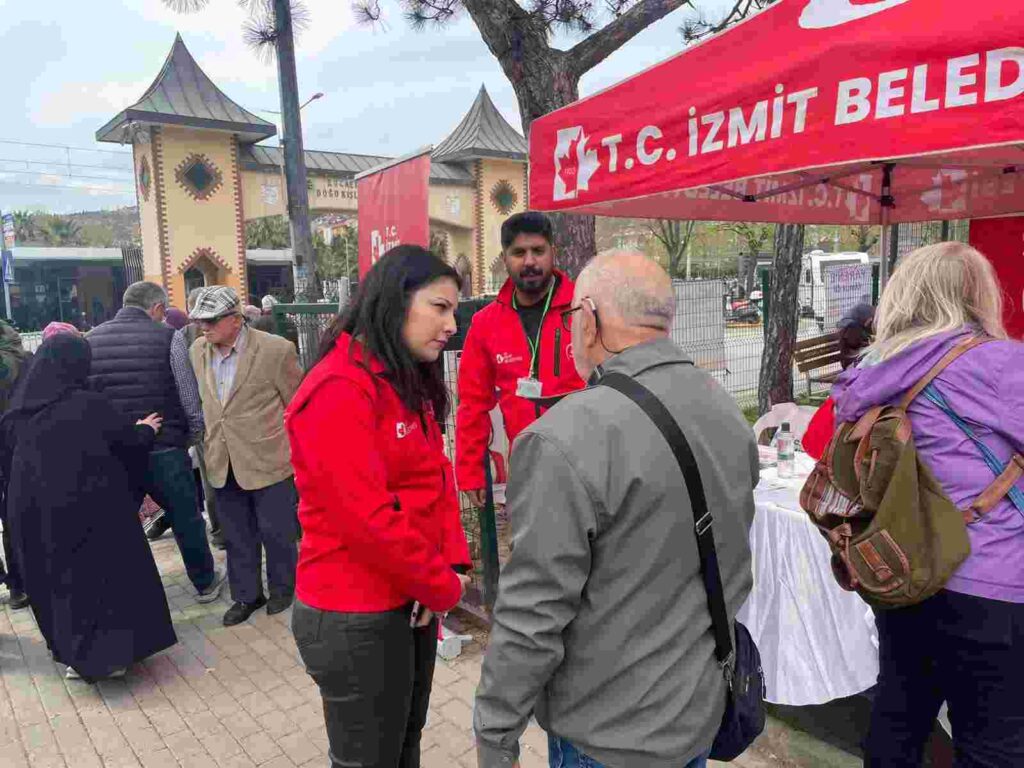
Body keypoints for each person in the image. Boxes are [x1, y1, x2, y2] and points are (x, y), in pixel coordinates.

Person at [474, 251, 758, 768]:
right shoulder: (724, 408)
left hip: (609, 734)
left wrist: (495, 735)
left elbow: (533, 615)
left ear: (587, 319)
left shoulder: (562, 438)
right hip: (696, 710)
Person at [827, 243, 1024, 767]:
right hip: (991, 581)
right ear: (980, 296)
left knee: (898, 717)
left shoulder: (871, 369)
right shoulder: (1002, 366)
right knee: (993, 746)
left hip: (900, 571)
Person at [286, 245, 472, 768]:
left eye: (454, 310)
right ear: (396, 301)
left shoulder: (400, 379)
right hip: (354, 617)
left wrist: (447, 567)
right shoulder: (339, 389)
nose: (451, 325)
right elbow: (367, 519)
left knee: (402, 746)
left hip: (404, 600)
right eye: (439, 307)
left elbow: (435, 481)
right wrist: (441, 585)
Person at [1, 334, 177, 680]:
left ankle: (72, 655)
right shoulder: (89, 405)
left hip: (35, 517)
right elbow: (126, 444)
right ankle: (113, 655)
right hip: (93, 512)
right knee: (104, 579)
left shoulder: (16, 416)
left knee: (57, 584)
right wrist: (145, 430)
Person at [86, 281, 225, 603]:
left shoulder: (91, 340)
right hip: (165, 446)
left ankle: (120, 592)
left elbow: (89, 398)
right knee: (186, 520)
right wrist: (192, 433)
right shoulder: (169, 337)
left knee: (117, 524)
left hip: (116, 451)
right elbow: (188, 393)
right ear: (158, 309)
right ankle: (205, 583)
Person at [189, 286, 304, 626]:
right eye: (200, 321)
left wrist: (298, 456)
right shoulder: (198, 351)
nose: (203, 328)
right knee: (237, 535)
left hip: (268, 459)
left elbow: (296, 405)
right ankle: (247, 595)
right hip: (221, 460)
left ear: (236, 320)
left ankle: (284, 589)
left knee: (277, 532)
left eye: (210, 321)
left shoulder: (275, 350)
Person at [456, 212, 584, 505]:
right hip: (528, 469)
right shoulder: (485, 324)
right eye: (518, 253)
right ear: (505, 258)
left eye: (538, 251)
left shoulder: (583, 308)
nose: (529, 261)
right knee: (537, 549)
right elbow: (472, 403)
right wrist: (471, 470)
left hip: (589, 460)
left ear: (554, 252)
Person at [178, 287, 223, 549]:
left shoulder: (182, 336)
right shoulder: (189, 338)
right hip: (214, 415)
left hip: (202, 417)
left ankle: (219, 531)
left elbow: (183, 382)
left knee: (211, 478)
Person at [0, 319, 30, 610]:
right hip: (13, 445)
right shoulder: (21, 358)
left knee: (11, 517)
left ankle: (16, 583)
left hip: (9, 445)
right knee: (13, 516)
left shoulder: (10, 360)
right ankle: (19, 584)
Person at [837, 301, 874, 370]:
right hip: (852, 362)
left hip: (856, 358)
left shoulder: (858, 322)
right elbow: (854, 346)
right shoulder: (852, 327)